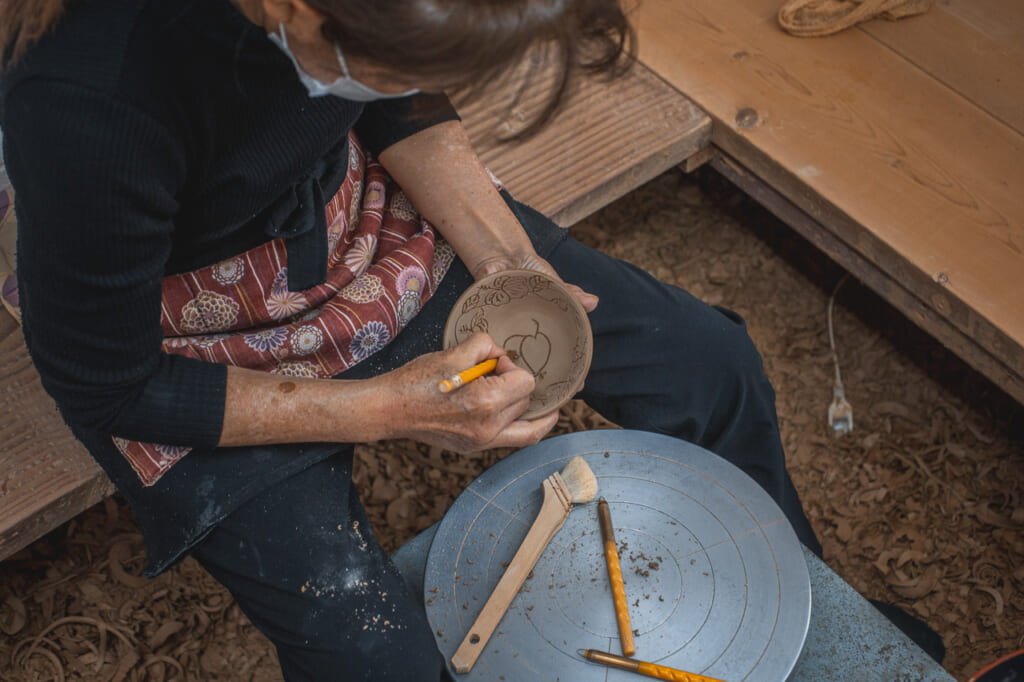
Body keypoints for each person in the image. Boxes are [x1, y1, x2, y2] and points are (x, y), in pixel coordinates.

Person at [0, 0, 825, 679]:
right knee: (371, 657)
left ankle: (803, 614)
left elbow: (394, 87)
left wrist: (507, 261)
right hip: (188, 327)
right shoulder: (90, 99)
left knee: (711, 368)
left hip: (346, 207)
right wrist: (392, 407)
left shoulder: (354, 30)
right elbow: (107, 382)